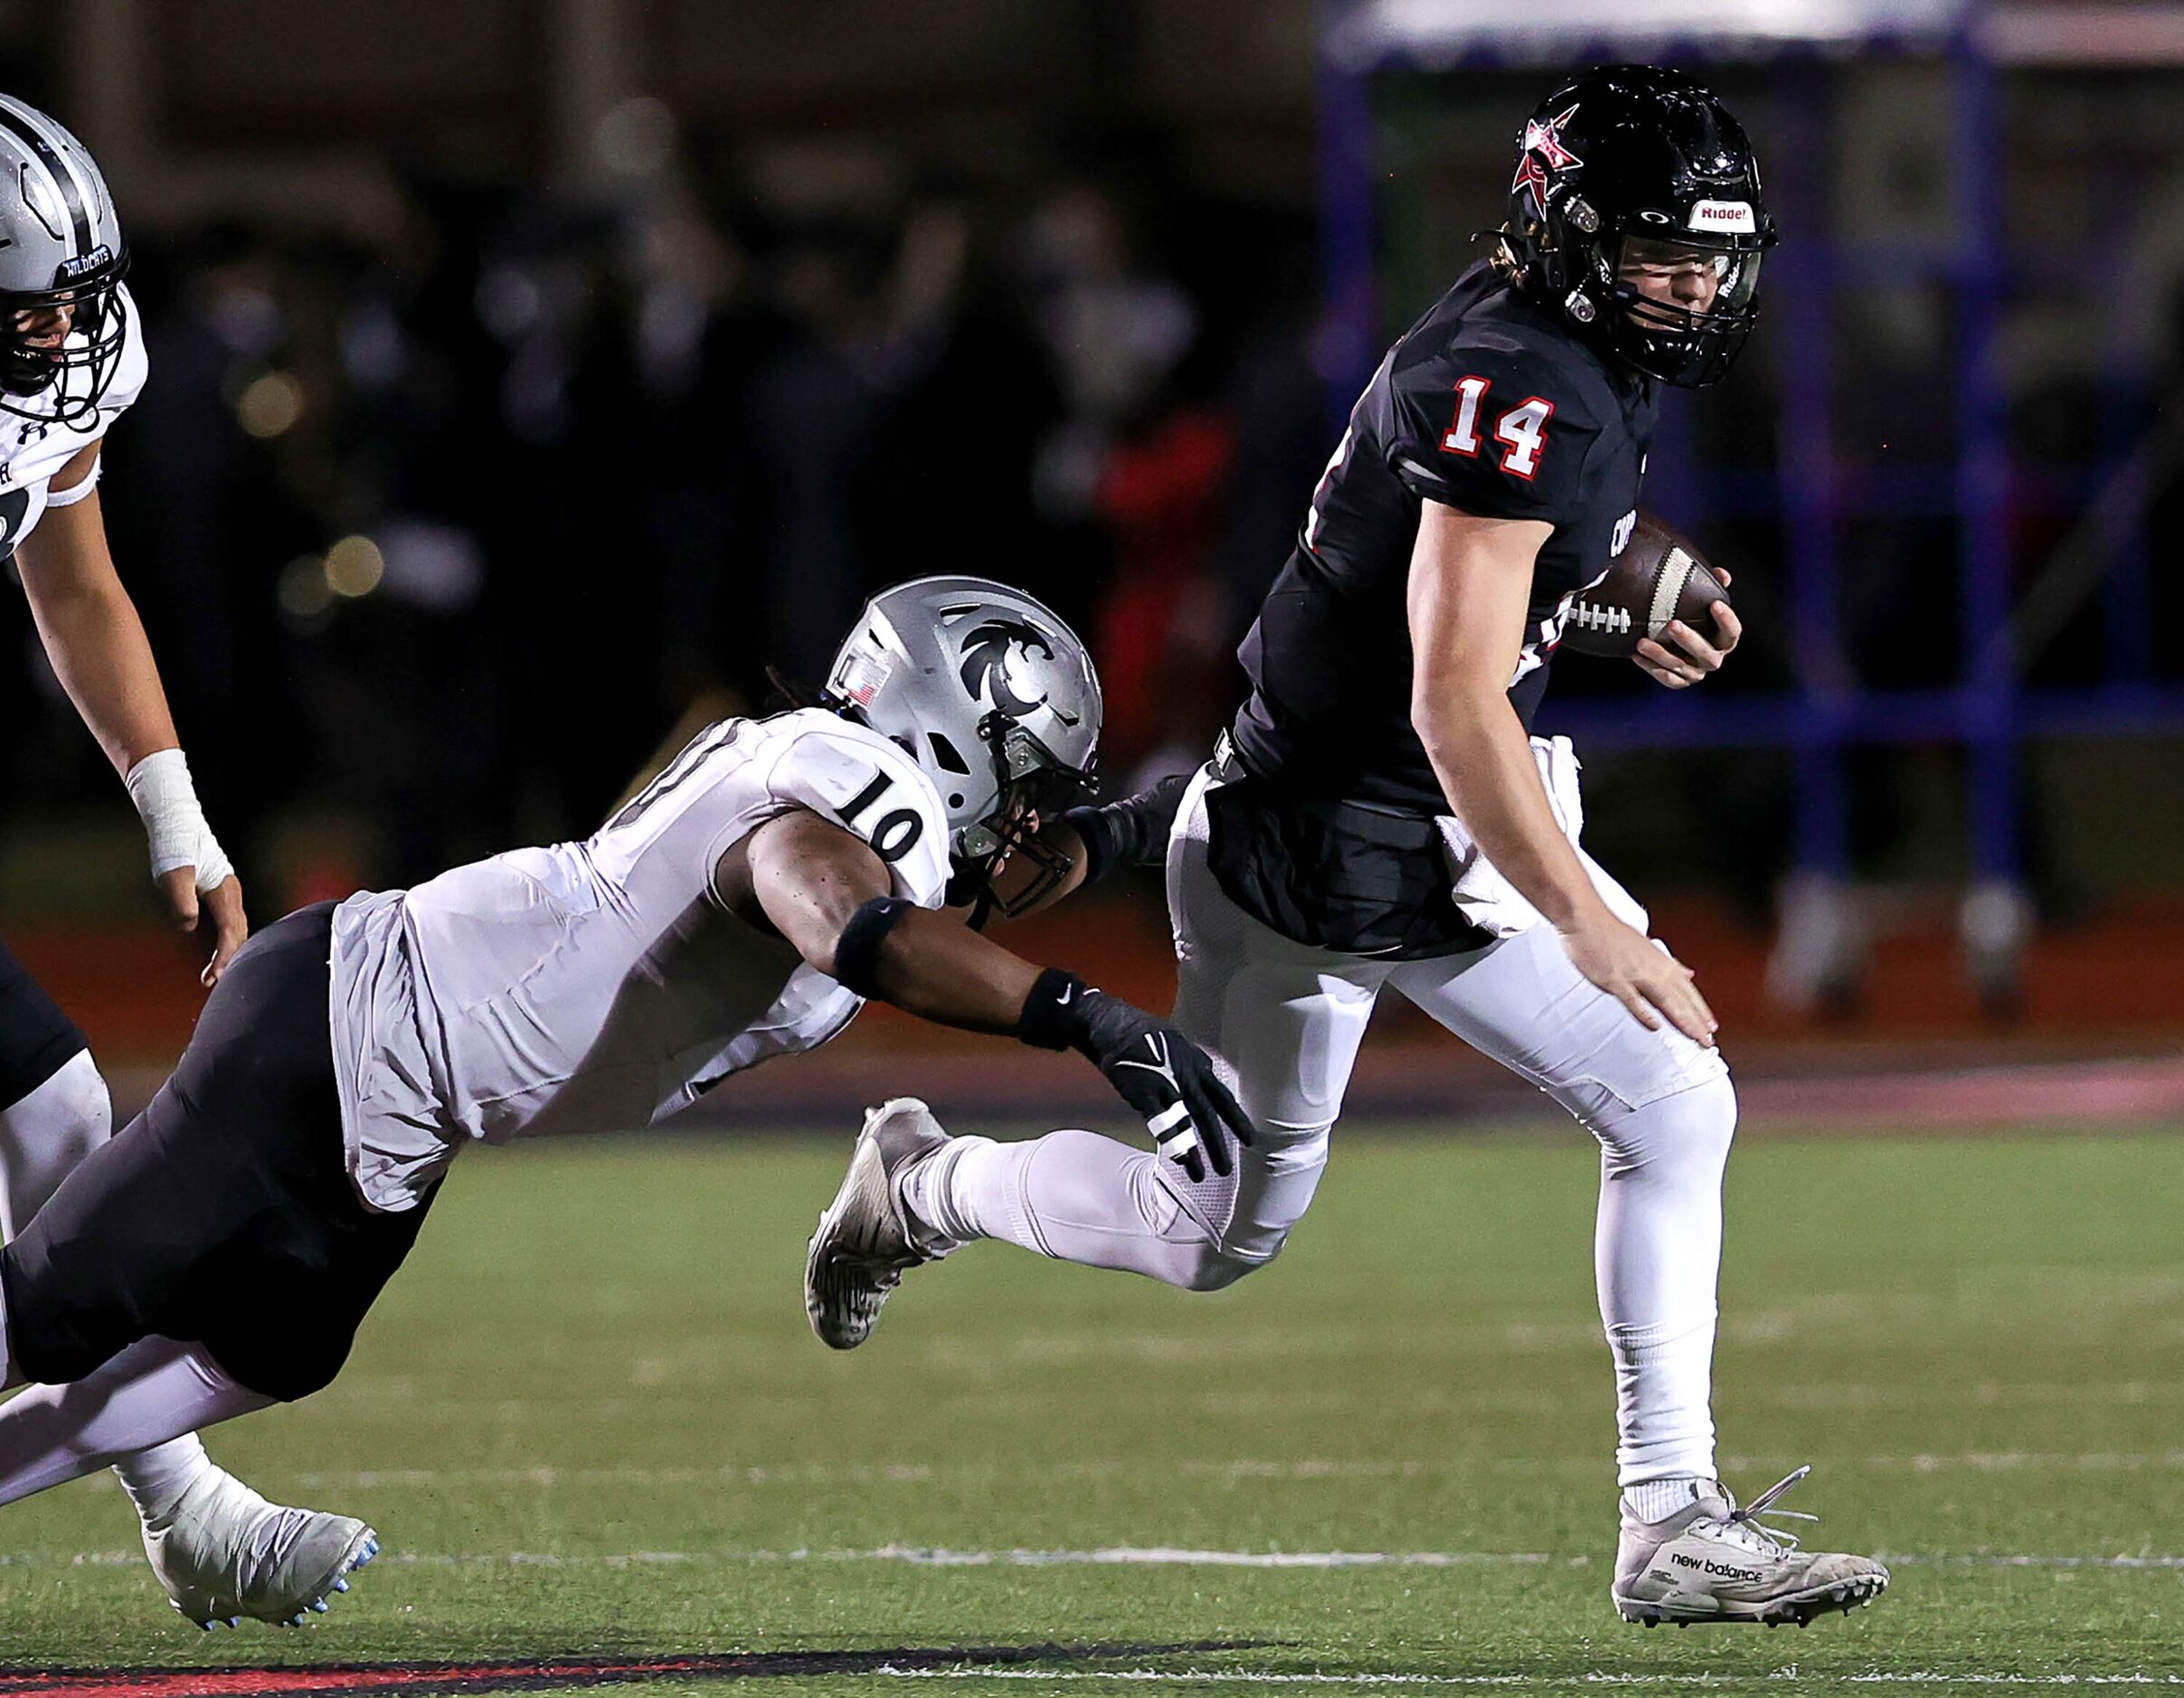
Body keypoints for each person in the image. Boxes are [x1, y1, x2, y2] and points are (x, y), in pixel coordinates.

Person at [803, 67, 1889, 1628]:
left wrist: (1584, 597)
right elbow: (1452, 700)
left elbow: (1402, 594)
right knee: (1230, 1229)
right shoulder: (1530, 380)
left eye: (1715, 254)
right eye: (1664, 251)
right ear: (1571, 233)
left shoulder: (1539, 335)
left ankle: (1672, 1517)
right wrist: (1588, 918)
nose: (1698, 284)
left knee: (1663, 1104)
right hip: (1339, 845)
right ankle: (931, 1182)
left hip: (1361, 808)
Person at [0, 577, 1255, 1622]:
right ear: (949, 725)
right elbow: (847, 919)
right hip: (331, 1040)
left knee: (252, 1357)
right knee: (48, 1308)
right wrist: (1093, 1018)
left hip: (399, 1110)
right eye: (1026, 772)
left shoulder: (837, 766)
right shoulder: (850, 786)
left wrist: (1140, 837)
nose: (1031, 815)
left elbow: (948, 903)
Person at [0, 92, 375, 1631]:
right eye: (35, 312)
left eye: (76, 303)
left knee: (53, 1115)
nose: (67, 340)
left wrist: (176, 817)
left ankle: (189, 1509)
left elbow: (76, 583)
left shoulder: (49, 375)